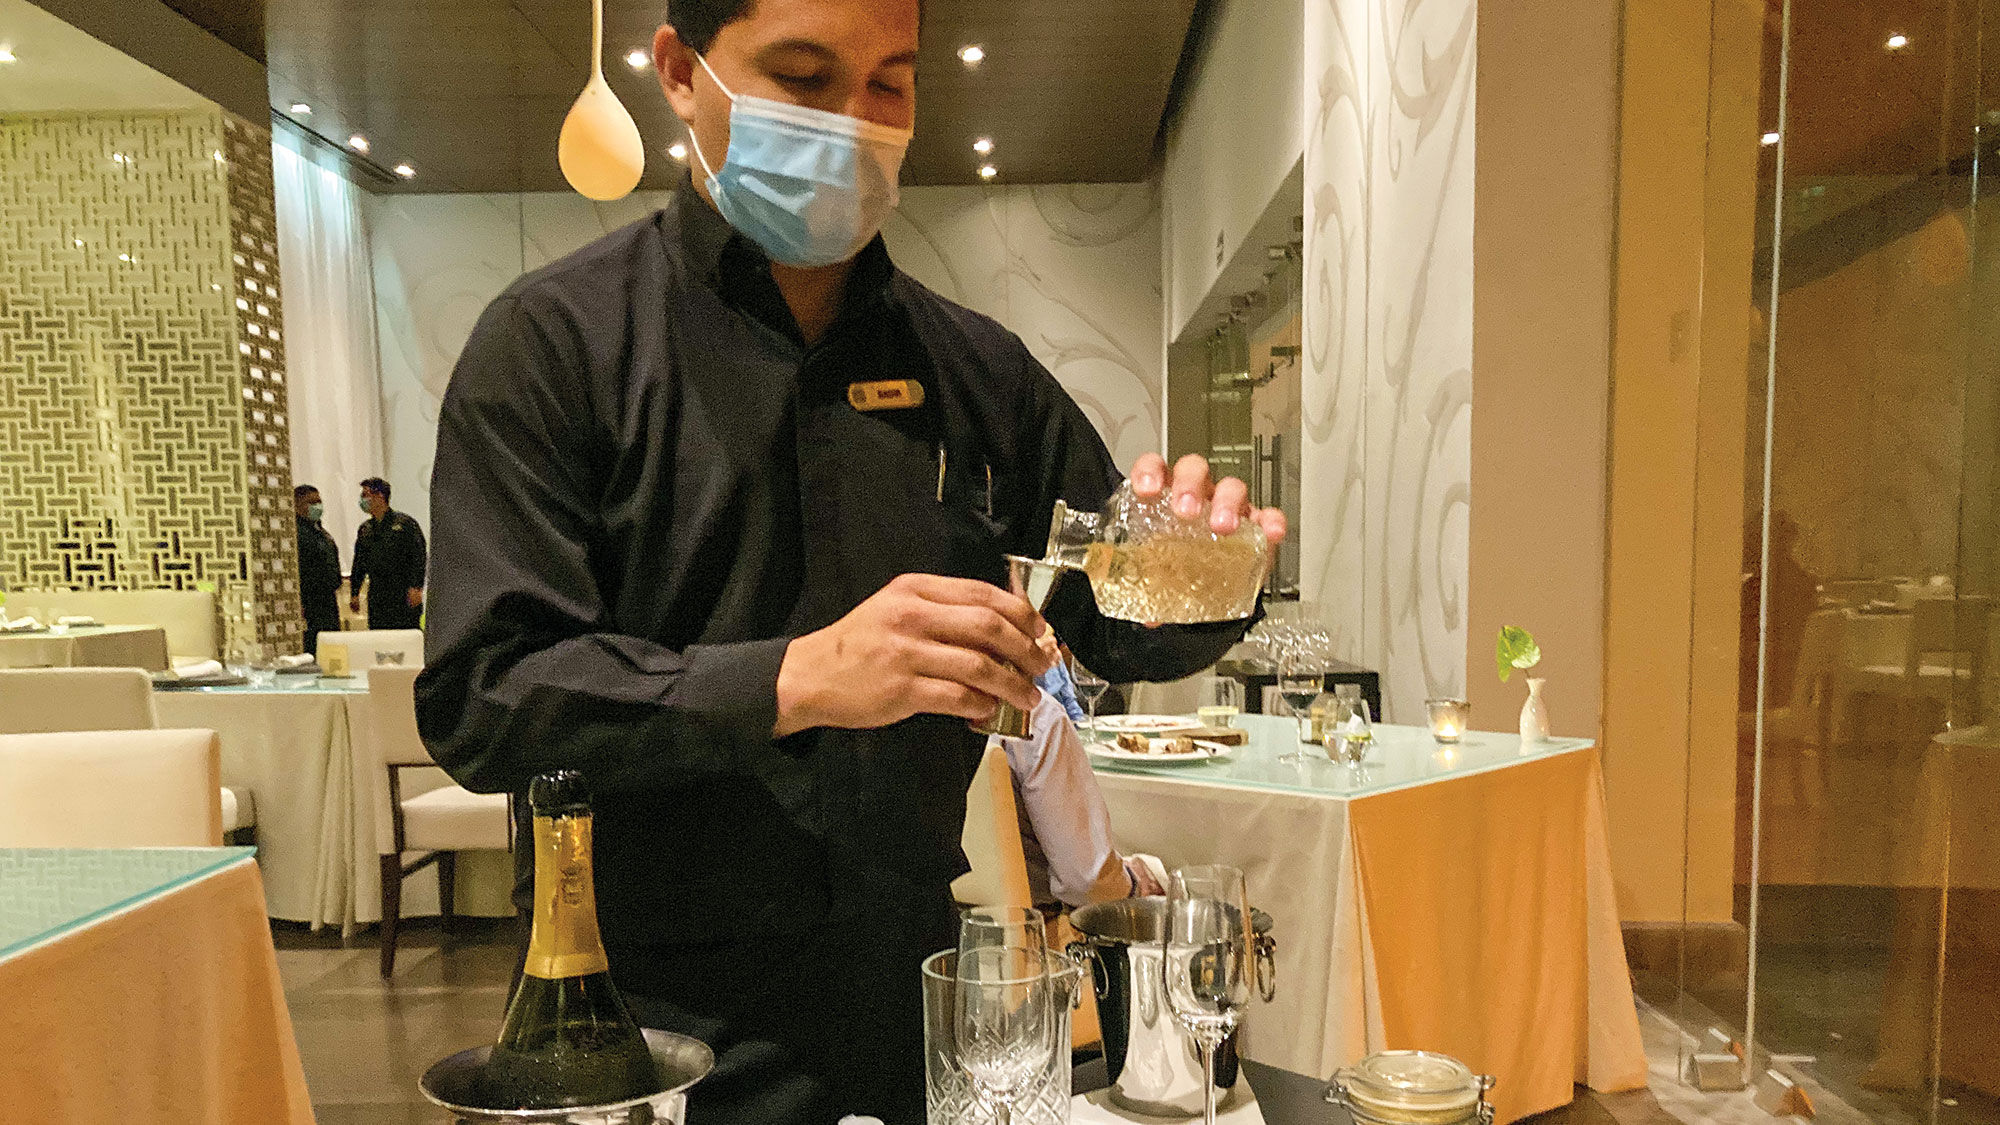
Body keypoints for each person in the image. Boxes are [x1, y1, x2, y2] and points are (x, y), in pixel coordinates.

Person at [413, 1, 1287, 1122]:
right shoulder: (554, 345)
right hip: (641, 1009)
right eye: (802, 75)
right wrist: (798, 679)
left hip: (915, 982)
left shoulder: (976, 368)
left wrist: (1213, 574)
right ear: (681, 73)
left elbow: (1111, 623)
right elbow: (485, 700)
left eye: (888, 84)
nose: (853, 123)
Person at [994, 686, 1166, 908]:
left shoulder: (937, 711)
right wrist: (1135, 883)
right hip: (1035, 926)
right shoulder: (1033, 713)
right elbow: (1088, 884)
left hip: (948, 920)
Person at [349, 477, 426, 630]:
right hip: (378, 593)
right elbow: (359, 562)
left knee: (405, 636)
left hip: (402, 592)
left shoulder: (405, 524)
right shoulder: (366, 529)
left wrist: (416, 587)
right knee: (379, 636)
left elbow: (419, 556)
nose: (362, 500)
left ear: (380, 496)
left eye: (366, 495)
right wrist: (355, 592)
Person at [293, 484, 342, 654]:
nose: (317, 506)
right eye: (311, 502)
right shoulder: (296, 534)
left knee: (331, 645)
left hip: (327, 599)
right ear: (297, 505)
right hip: (309, 602)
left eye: (319, 502)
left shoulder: (320, 531)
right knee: (315, 647)